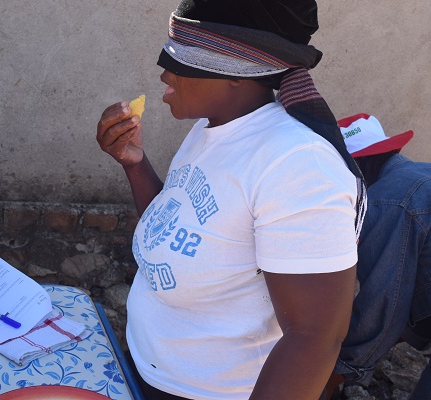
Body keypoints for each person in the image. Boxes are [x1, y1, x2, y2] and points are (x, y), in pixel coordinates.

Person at [96, 0, 366, 398]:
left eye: (181, 58)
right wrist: (135, 164)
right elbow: (176, 229)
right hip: (149, 370)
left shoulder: (297, 167)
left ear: (236, 72)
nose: (164, 72)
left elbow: (315, 335)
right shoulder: (214, 130)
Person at [323, 114, 431, 400]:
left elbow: (384, 302)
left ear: (358, 165)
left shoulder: (387, 199)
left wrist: (336, 374)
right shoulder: (423, 174)